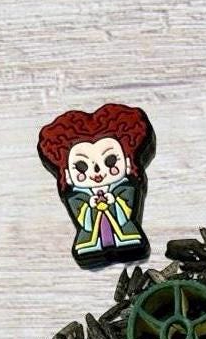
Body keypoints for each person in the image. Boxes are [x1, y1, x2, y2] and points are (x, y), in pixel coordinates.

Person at [37, 103, 154, 267]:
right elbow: (81, 215)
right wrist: (90, 205)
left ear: (128, 162)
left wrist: (113, 201)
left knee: (129, 235)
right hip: (91, 240)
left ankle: (123, 242)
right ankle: (94, 248)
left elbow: (127, 205)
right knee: (88, 241)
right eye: (81, 166)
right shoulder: (77, 196)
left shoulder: (126, 188)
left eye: (110, 160)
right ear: (67, 174)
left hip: (126, 235)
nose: (97, 171)